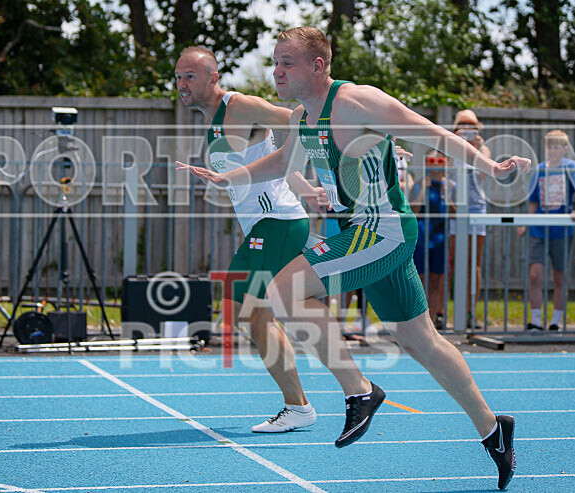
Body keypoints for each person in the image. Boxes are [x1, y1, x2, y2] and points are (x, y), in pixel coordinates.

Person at [177, 27, 529, 490]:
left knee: (280, 290)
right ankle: (493, 430)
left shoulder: (359, 101)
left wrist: (492, 168)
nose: (276, 71)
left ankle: (360, 391)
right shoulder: (305, 117)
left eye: (287, 63)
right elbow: (281, 165)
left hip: (382, 230)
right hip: (357, 234)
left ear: (317, 67)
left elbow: (432, 133)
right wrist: (230, 178)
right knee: (421, 341)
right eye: (276, 62)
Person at [175, 46, 329, 433]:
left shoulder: (239, 106)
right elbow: (273, 157)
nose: (181, 84)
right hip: (272, 221)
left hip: (276, 222)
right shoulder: (212, 120)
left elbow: (302, 119)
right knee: (256, 312)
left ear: (214, 78)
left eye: (190, 76)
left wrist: (349, 140)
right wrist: (306, 188)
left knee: (243, 306)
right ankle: (301, 403)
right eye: (178, 76)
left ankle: (302, 405)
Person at [517, 130, 575, 331]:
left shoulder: (570, 168)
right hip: (539, 229)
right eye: (550, 147)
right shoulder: (538, 170)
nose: (553, 151)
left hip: (561, 231)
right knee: (535, 274)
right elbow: (533, 200)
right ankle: (536, 320)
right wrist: (525, 223)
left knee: (560, 276)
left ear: (565, 149)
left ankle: (556, 320)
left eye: (557, 147)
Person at [447, 110, 491, 330]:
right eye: (462, 124)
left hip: (476, 209)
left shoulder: (483, 149)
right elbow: (446, 177)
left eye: (471, 125)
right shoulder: (449, 147)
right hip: (455, 210)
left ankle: (471, 312)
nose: (467, 129)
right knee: (453, 262)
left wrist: (476, 148)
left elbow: (484, 176)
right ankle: (448, 312)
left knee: (474, 263)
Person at [410, 150, 454, 330]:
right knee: (419, 280)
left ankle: (432, 321)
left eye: (439, 160)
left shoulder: (450, 185)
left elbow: (455, 213)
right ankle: (417, 322)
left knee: (437, 280)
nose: (435, 165)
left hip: (440, 239)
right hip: (421, 238)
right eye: (431, 160)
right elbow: (414, 212)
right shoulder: (419, 184)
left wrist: (447, 195)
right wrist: (424, 190)